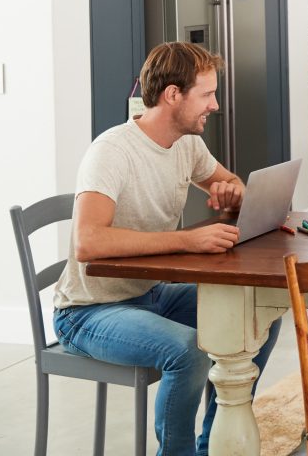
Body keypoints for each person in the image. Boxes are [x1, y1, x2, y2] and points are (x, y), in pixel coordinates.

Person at [52, 42, 281, 456]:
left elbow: (232, 185)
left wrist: (233, 194)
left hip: (150, 293)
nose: (215, 105)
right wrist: (186, 240)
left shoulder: (187, 143)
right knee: (189, 353)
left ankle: (215, 444)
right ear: (173, 95)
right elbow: (88, 241)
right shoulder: (112, 151)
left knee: (256, 314)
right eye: (207, 94)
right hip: (88, 311)